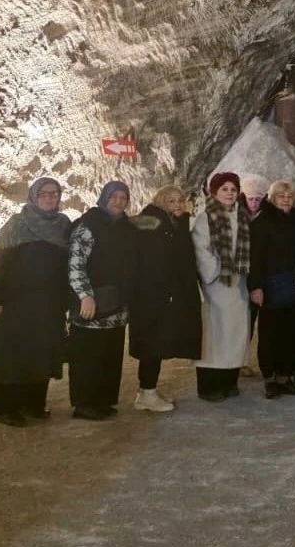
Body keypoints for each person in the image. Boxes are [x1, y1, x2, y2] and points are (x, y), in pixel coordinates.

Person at [0, 178, 72, 426]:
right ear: (34, 196)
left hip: (48, 302)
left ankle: (34, 403)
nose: (49, 197)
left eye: (54, 193)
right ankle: (7, 409)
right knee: (11, 355)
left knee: (41, 352)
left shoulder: (63, 225)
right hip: (15, 302)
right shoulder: (17, 224)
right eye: (43, 193)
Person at [66, 181, 137, 420]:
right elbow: (76, 264)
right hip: (92, 303)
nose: (118, 201)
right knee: (88, 355)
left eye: (123, 197)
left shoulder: (126, 227)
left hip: (116, 304)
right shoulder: (88, 226)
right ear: (104, 198)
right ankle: (85, 404)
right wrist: (84, 296)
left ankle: (103, 401)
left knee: (110, 355)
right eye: (113, 196)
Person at [129, 185, 202, 412]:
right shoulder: (153, 223)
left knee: (157, 343)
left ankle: (147, 391)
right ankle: (147, 393)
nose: (178, 204)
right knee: (152, 343)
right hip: (152, 296)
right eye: (171, 201)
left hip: (162, 295)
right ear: (161, 202)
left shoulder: (171, 224)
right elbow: (153, 261)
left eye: (180, 200)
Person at [193, 172, 251, 402]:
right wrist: (217, 269)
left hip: (238, 285)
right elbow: (201, 249)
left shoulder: (242, 216)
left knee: (235, 336)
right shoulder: (205, 217)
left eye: (233, 189)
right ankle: (208, 386)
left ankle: (229, 381)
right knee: (214, 338)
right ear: (214, 192)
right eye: (224, 189)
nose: (229, 193)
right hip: (216, 285)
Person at [249, 180, 295, 399]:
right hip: (270, 284)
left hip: (294, 282)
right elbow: (255, 258)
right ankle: (270, 379)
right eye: (281, 196)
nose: (285, 200)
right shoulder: (262, 222)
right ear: (272, 198)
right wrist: (256, 286)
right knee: (269, 333)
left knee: (290, 332)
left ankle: (285, 376)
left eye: (289, 196)